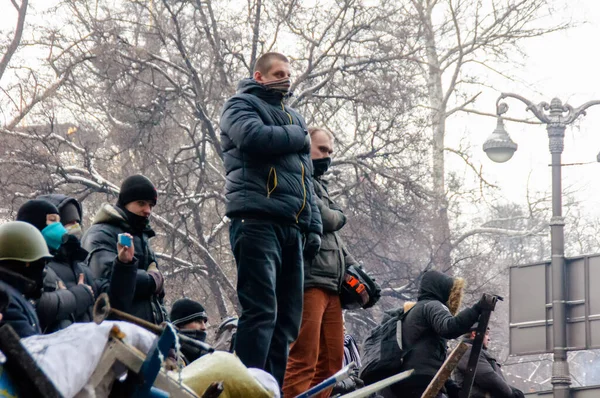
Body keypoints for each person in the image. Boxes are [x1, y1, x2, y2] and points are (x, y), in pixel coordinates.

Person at [219, 52, 323, 386]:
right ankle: (246, 386)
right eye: (278, 73)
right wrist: (298, 136)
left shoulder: (292, 115)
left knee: (287, 321)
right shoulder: (239, 105)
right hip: (256, 220)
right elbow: (253, 138)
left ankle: (270, 389)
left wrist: (313, 226)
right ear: (259, 76)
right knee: (261, 311)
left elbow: (306, 179)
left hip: (291, 228)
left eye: (288, 73)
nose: (286, 79)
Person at [283, 127, 355, 397]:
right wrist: (338, 215)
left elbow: (332, 233)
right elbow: (327, 218)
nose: (327, 157)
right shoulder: (297, 177)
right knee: (303, 359)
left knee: (332, 365)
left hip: (331, 286)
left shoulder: (320, 186)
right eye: (322, 149)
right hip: (309, 281)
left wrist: (353, 270)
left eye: (330, 152)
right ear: (305, 147)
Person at [81, 174, 167, 324]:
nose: (148, 210)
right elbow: (106, 282)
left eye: (151, 205)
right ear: (125, 203)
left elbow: (155, 299)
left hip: (148, 334)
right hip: (118, 334)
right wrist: (152, 280)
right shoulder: (101, 234)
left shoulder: (142, 238)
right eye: (141, 203)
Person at [383, 270, 483, 398]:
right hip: (422, 383)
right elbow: (450, 328)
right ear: (441, 289)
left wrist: (450, 387)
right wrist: (476, 309)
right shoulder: (432, 305)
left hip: (408, 383)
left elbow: (427, 358)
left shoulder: (414, 312)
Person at [16, 199, 96, 333]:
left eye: (59, 221)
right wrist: (76, 296)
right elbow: (36, 307)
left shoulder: (77, 263)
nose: (59, 226)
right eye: (52, 220)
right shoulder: (28, 267)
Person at [0, 221, 53, 337]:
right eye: (41, 263)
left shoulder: (14, 293)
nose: (43, 270)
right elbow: (28, 349)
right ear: (27, 263)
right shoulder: (6, 300)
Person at [453, 325, 525, 398]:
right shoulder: (469, 352)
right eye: (486, 334)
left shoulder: (473, 351)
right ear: (474, 334)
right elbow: (488, 378)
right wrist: (511, 394)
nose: (489, 338)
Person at [170, 298, 209, 364]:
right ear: (180, 325)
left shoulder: (207, 355)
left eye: (204, 322)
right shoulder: (171, 356)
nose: (204, 327)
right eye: (198, 321)